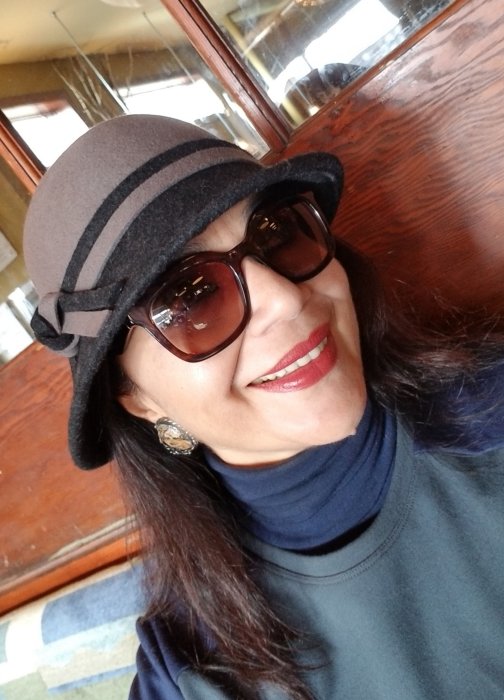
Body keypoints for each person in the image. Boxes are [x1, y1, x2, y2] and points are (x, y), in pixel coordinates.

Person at [23, 114, 504, 700]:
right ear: (137, 397)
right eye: (191, 298)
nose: (285, 299)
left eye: (277, 233)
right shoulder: (189, 665)